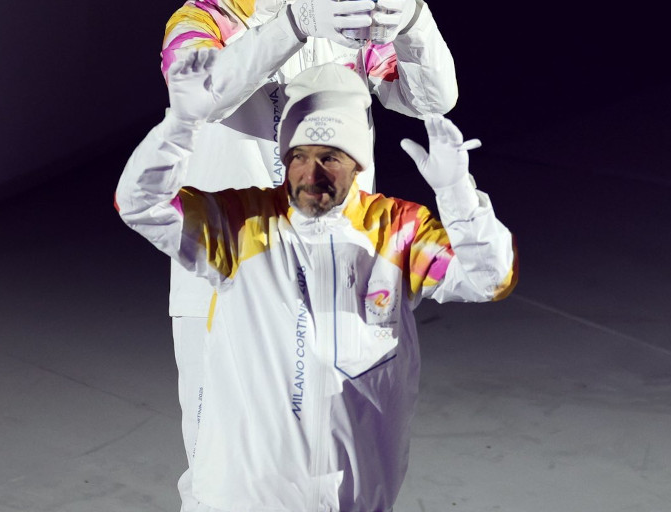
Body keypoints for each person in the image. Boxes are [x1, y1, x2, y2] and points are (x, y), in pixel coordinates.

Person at [159, 0, 459, 506]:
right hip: (228, 288)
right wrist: (299, 25)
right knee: (224, 477)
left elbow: (431, 98)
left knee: (340, 469)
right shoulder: (201, 23)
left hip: (336, 283)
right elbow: (205, 92)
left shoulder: (346, 25)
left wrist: (411, 24)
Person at [117, 56, 516, 512]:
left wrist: (458, 195)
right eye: (299, 156)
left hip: (352, 501)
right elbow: (139, 204)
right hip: (243, 500)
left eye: (329, 156)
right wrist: (180, 124)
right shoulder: (241, 225)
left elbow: (491, 278)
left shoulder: (396, 232)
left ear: (357, 164)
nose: (312, 174)